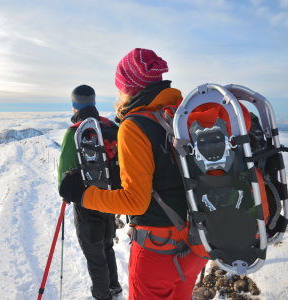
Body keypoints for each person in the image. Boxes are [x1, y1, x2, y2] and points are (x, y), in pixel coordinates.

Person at [59, 49, 208, 300]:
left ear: (129, 87)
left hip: (158, 250)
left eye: (119, 87)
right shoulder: (178, 116)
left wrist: (82, 195)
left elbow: (135, 202)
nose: (118, 94)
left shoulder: (135, 125)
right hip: (196, 244)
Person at [58, 84, 122, 300]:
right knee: (107, 245)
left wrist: (67, 194)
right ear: (93, 102)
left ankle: (101, 295)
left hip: (87, 201)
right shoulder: (111, 126)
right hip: (112, 199)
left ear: (74, 106)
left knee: (94, 252)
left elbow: (65, 174)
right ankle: (114, 287)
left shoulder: (74, 132)